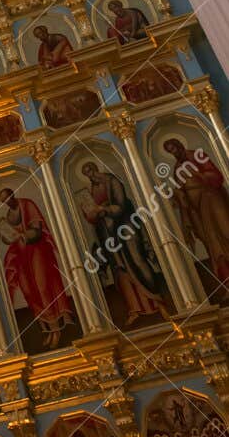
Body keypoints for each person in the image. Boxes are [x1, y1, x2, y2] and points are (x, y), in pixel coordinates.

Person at [78, 160, 167, 323]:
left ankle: (157, 300)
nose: (90, 175)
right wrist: (91, 213)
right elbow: (93, 217)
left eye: (90, 170)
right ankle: (134, 309)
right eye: (86, 173)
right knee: (119, 268)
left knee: (137, 260)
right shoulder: (91, 190)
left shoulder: (111, 181)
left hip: (125, 225)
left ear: (96, 168)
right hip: (107, 233)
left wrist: (103, 209)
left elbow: (121, 205)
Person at [0, 187, 74, 347]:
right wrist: (5, 236)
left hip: (38, 252)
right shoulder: (8, 215)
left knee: (43, 287)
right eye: (3, 201)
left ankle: (56, 329)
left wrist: (22, 235)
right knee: (29, 291)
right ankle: (47, 330)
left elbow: (37, 231)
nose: (7, 202)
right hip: (21, 256)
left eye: (8, 198)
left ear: (12, 194)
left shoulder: (27, 205)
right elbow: (10, 238)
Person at [164, 137, 229, 285]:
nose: (174, 153)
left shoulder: (196, 156)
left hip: (212, 200)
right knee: (212, 244)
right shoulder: (177, 168)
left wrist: (199, 175)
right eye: (170, 152)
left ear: (180, 145)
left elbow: (216, 177)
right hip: (196, 210)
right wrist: (178, 196)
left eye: (174, 149)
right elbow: (182, 190)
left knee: (225, 232)